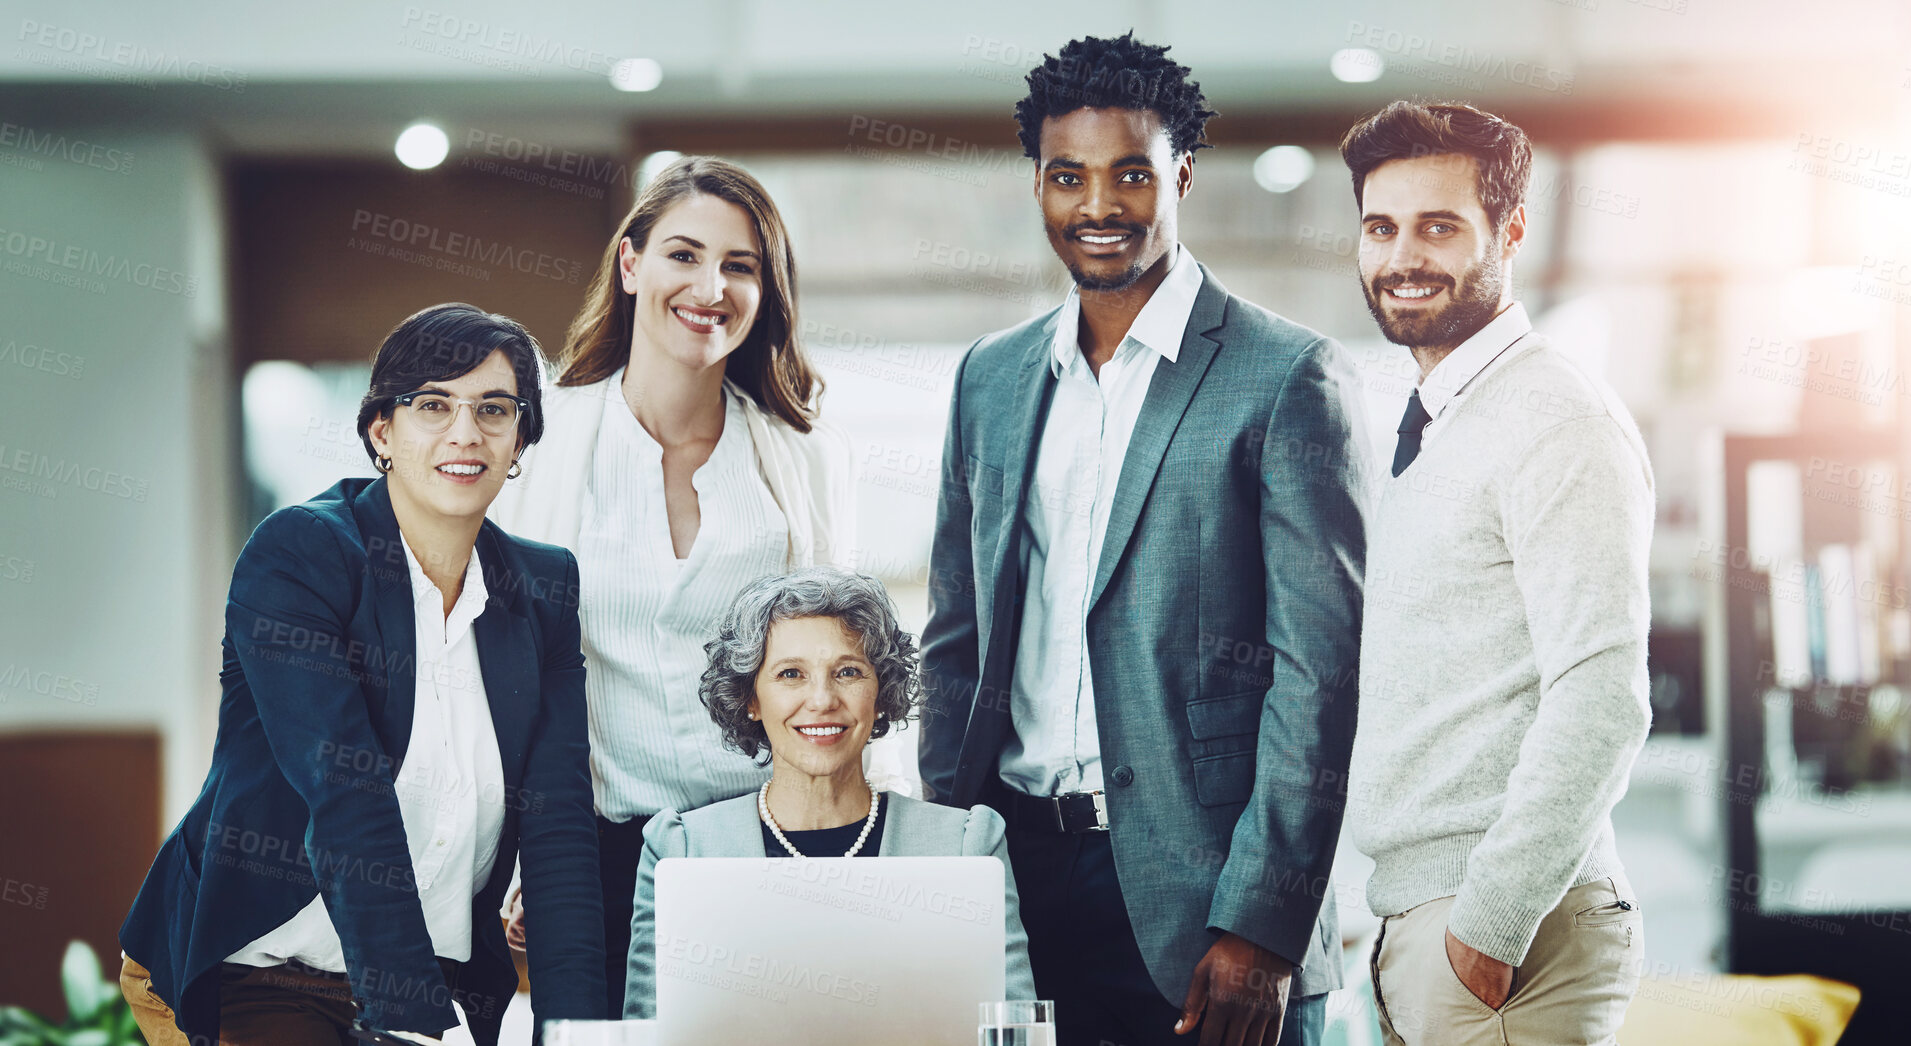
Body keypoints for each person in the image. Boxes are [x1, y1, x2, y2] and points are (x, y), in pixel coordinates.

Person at [919, 32, 1370, 1046]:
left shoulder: (1287, 376)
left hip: (1205, 906)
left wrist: (1263, 922)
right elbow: (957, 633)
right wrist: (943, 843)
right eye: (1067, 176)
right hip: (1011, 886)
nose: (1099, 206)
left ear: (1183, 176)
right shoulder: (989, 379)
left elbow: (1323, 677)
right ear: (1036, 182)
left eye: (1131, 173)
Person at [118, 303, 606, 1046]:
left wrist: (577, 1033)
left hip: (440, 976)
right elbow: (347, 796)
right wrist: (415, 1025)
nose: (465, 432)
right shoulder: (302, 554)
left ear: (519, 441)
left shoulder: (542, 590)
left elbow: (560, 829)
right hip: (264, 966)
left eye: (494, 409)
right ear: (383, 430)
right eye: (433, 404)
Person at [489, 155, 857, 1016]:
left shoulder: (801, 458)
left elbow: (836, 672)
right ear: (630, 265)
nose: (710, 286)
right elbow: (499, 671)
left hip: (764, 847)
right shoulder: (543, 444)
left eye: (740, 265)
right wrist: (520, 861)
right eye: (683, 255)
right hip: (590, 854)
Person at [1337, 101, 1653, 1046]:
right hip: (1426, 923)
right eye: (1380, 228)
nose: (1403, 257)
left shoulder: (1555, 419)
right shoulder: (1444, 425)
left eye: (1440, 226)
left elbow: (1602, 695)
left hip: (1501, 937)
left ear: (1510, 232)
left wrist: (1488, 924)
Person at [621, 566, 1035, 1014]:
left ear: (880, 693)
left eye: (848, 672)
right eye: (790, 674)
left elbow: (1014, 1030)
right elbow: (649, 1031)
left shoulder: (965, 844)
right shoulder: (681, 848)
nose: (821, 699)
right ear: (751, 698)